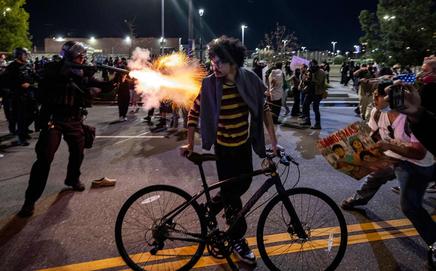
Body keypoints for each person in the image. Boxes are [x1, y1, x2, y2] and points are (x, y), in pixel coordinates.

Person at [180, 36, 278, 265]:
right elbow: (193, 114)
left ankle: (209, 208)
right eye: (212, 62)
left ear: (233, 62)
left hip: (243, 146)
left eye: (219, 62)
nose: (214, 67)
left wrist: (273, 144)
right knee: (233, 195)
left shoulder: (249, 80)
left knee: (241, 185)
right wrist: (190, 145)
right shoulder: (210, 84)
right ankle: (237, 239)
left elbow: (265, 112)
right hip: (223, 149)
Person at [342, 81, 436, 266]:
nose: (374, 99)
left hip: (416, 165)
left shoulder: (409, 116)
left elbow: (418, 152)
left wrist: (388, 145)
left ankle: (434, 241)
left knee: (410, 205)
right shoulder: (378, 113)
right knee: (375, 176)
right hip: (392, 158)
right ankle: (359, 199)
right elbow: (371, 135)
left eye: (377, 96)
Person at [17, 41, 114, 217]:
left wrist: (116, 81)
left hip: (74, 120)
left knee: (78, 152)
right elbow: (46, 80)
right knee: (44, 158)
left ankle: (72, 178)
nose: (83, 58)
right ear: (70, 56)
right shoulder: (54, 69)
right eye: (79, 55)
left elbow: (100, 85)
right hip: (54, 119)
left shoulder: (82, 71)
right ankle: (29, 201)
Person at [2, 48, 35, 145]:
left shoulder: (27, 65)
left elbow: (33, 76)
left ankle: (24, 130)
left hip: (29, 93)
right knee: (21, 117)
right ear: (19, 55)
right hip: (18, 95)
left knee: (33, 114)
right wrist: (19, 85)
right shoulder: (11, 67)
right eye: (24, 54)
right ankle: (21, 137)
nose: (26, 56)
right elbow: (5, 82)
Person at [300, 59, 326, 129]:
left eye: (312, 64)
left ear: (315, 64)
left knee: (315, 108)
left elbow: (319, 82)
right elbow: (306, 80)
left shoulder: (321, 72)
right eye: (310, 64)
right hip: (310, 92)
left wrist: (312, 76)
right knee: (305, 105)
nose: (310, 66)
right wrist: (305, 77)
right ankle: (307, 120)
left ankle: (318, 124)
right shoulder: (310, 71)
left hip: (317, 93)